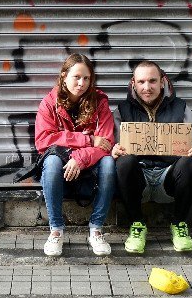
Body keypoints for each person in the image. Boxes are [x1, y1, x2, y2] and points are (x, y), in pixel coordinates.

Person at [111, 60, 192, 254]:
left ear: (162, 82)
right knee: (124, 162)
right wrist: (113, 153)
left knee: (190, 162)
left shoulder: (181, 109)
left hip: (169, 179)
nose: (147, 87)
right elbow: (112, 149)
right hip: (139, 181)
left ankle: (179, 224)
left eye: (152, 81)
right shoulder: (122, 111)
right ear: (133, 83)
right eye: (141, 82)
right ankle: (137, 224)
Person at [34, 53, 116, 257]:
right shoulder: (49, 103)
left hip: (89, 163)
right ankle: (56, 230)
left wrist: (79, 158)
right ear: (64, 76)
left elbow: (106, 144)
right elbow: (43, 140)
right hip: (61, 165)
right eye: (76, 77)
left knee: (108, 163)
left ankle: (96, 229)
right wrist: (86, 140)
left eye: (86, 78)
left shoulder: (100, 103)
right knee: (51, 161)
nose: (81, 83)